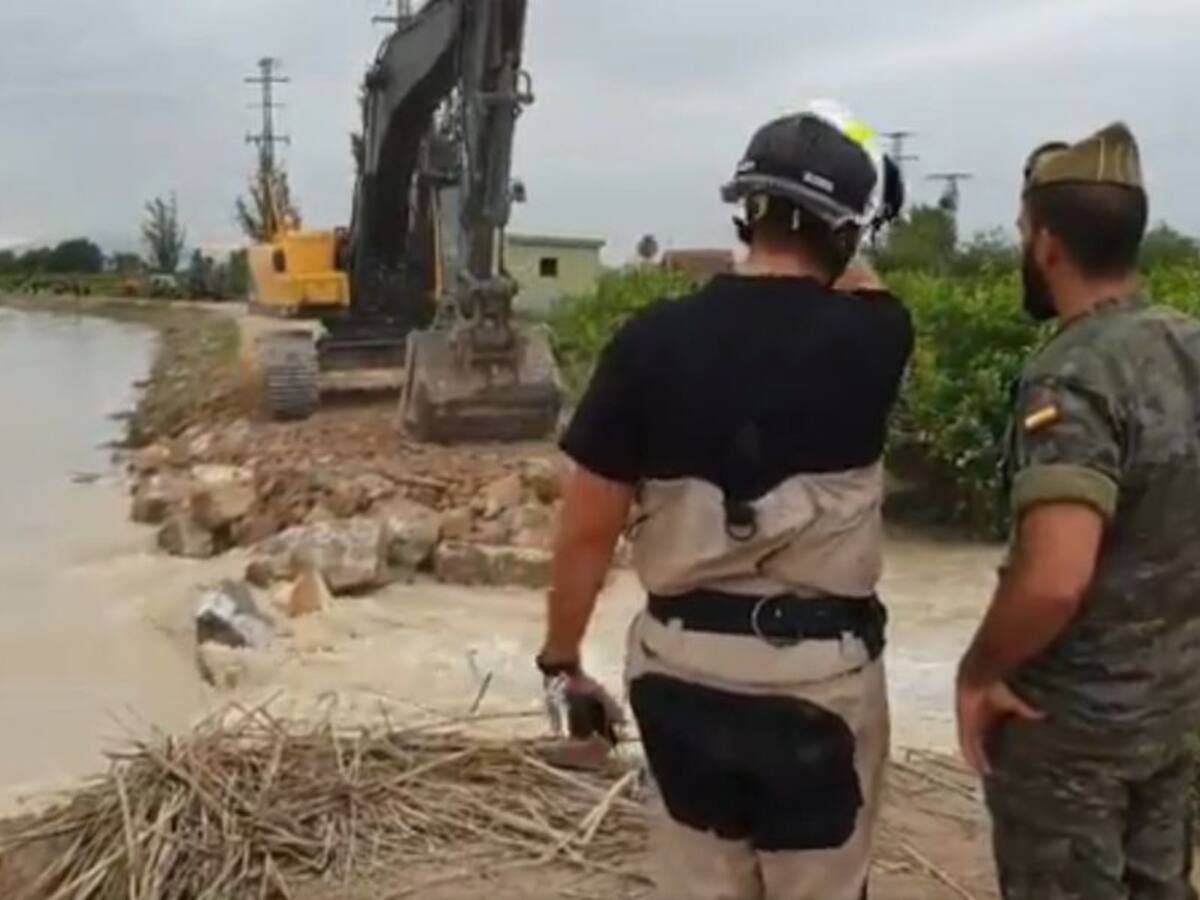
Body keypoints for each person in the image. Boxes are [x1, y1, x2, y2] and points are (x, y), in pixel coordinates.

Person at [537, 101, 912, 900]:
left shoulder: (646, 342)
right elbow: (862, 280)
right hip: (821, 685)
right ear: (845, 232)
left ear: (744, 211)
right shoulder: (878, 336)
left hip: (680, 674)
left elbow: (586, 530)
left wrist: (561, 658)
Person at [956, 122, 1200, 900]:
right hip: (1173, 716)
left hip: (1069, 739)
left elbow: (1056, 578)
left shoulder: (1071, 375)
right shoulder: (1188, 347)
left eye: (1026, 231)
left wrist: (978, 672)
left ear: (1048, 244)